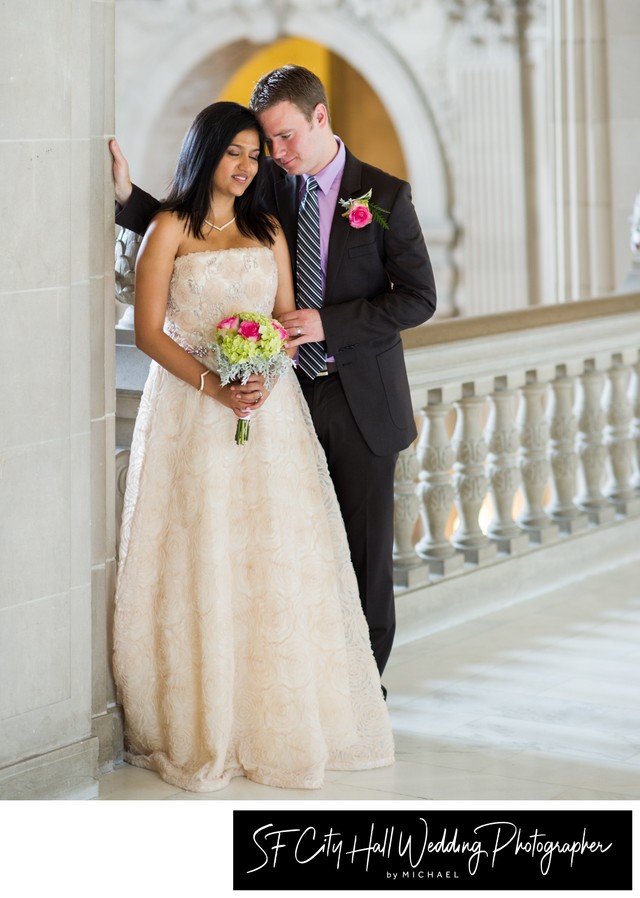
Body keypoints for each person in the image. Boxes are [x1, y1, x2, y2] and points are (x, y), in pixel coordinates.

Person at [112, 65, 437, 682]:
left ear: (320, 118)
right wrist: (130, 200)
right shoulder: (272, 190)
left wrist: (329, 324)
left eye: (284, 138)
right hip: (279, 399)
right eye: (265, 144)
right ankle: (302, 682)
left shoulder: (385, 195)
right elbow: (198, 224)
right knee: (295, 550)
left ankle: (364, 692)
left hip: (357, 395)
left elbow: (418, 299)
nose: (275, 155)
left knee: (365, 557)